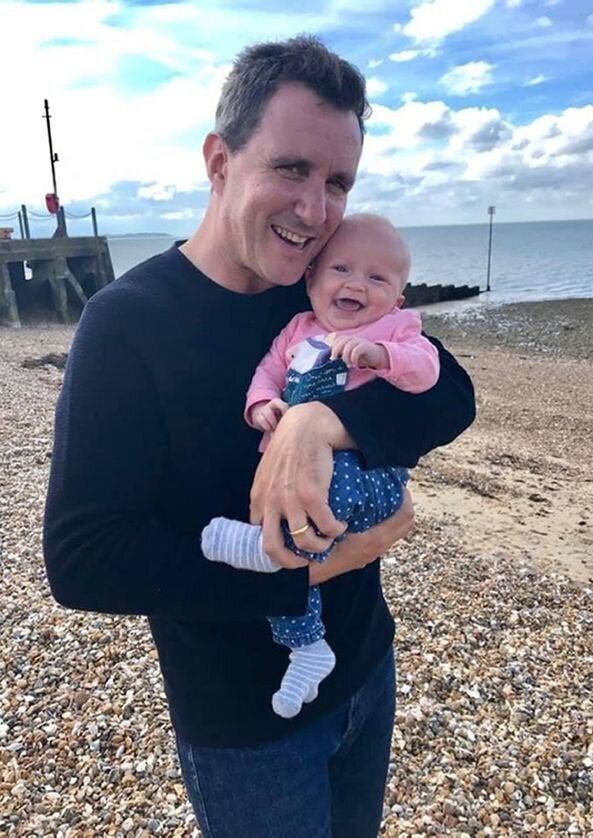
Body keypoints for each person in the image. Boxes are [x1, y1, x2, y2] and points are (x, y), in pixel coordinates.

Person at [44, 36, 475, 838]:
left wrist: (322, 420)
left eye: (337, 182)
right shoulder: (127, 324)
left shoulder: (321, 286)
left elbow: (450, 392)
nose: (315, 211)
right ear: (218, 160)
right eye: (291, 169)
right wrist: (299, 579)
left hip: (366, 668)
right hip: (244, 726)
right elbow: (83, 559)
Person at [203, 213, 440, 720]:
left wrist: (382, 355)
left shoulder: (394, 328)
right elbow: (267, 371)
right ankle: (307, 648)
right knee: (284, 516)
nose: (356, 284)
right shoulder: (296, 329)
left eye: (377, 278)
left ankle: (265, 552)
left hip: (368, 478)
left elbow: (430, 372)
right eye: (341, 270)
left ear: (398, 298)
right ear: (311, 281)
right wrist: (262, 404)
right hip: (302, 488)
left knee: (311, 506)